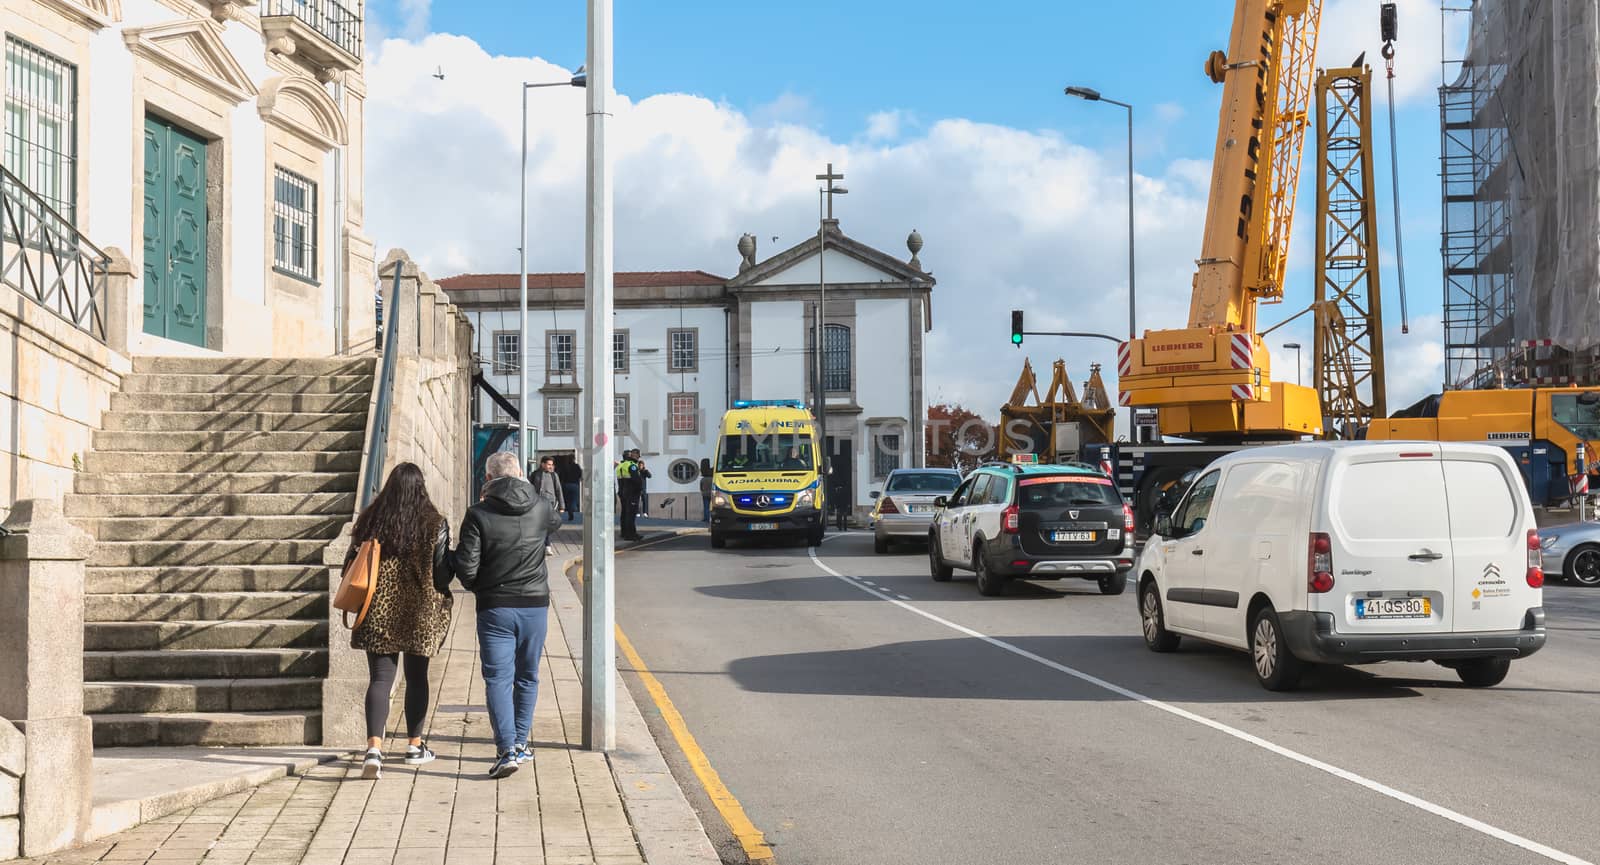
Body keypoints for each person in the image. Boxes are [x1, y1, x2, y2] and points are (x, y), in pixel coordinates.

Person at [451, 450, 564, 779]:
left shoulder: (477, 514)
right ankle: (521, 742)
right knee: (528, 676)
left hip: (495, 607)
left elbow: (467, 569)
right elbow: (555, 521)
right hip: (535, 606)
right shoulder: (541, 506)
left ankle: (507, 750)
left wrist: (481, 588)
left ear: (488, 480)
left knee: (498, 679)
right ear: (520, 476)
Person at [346, 462, 454, 781]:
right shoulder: (434, 523)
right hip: (419, 611)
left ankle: (374, 750)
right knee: (417, 677)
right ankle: (414, 746)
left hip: (377, 610)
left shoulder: (371, 521)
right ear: (421, 488)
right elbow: (442, 573)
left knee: (381, 679)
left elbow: (350, 564)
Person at [530, 456, 565, 554]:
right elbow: (530, 489)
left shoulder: (554, 475)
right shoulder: (534, 474)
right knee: (539, 525)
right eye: (548, 464)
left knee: (546, 524)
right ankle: (543, 545)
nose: (550, 466)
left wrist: (562, 506)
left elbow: (559, 490)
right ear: (542, 464)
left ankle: (547, 545)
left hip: (550, 504)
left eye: (551, 465)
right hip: (537, 503)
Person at [617, 450, 642, 541]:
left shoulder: (621, 465)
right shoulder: (631, 465)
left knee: (624, 513)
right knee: (631, 514)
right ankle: (631, 534)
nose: (638, 458)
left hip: (623, 492)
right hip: (632, 492)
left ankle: (624, 532)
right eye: (638, 456)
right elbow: (636, 480)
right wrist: (640, 488)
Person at [699, 457, 714, 522]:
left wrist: (703, 491)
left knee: (706, 507)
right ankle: (712, 518)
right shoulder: (713, 479)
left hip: (705, 494)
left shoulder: (703, 479)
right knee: (714, 507)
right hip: (712, 494)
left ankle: (706, 518)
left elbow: (701, 488)